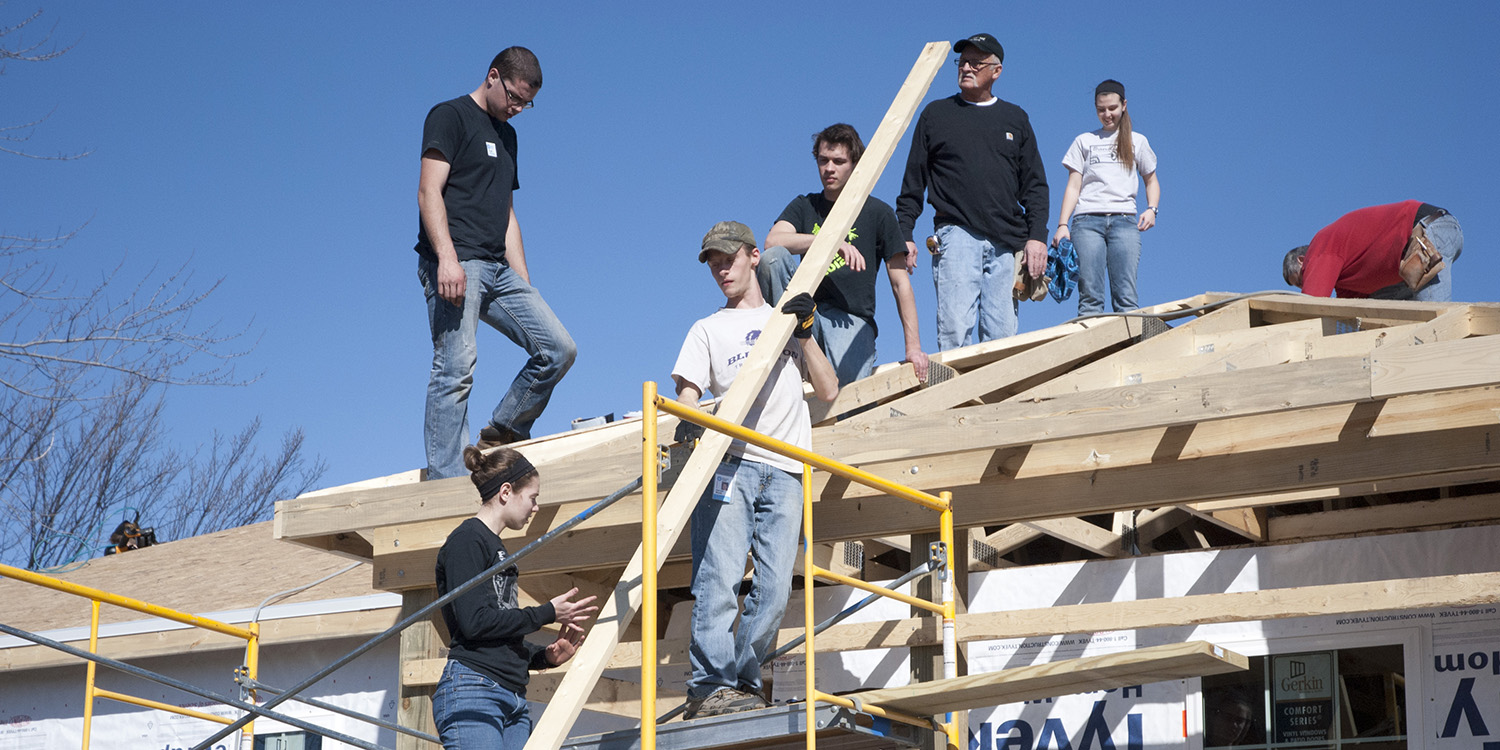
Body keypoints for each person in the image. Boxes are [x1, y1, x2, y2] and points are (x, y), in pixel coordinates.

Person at [672, 221, 839, 718]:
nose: (721, 269)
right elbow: (687, 398)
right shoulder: (706, 329)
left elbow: (828, 391)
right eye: (713, 262)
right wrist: (689, 421)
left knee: (773, 591)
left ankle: (743, 684)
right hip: (731, 464)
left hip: (787, 468)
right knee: (719, 580)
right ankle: (708, 687)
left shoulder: (784, 321)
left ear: (752, 256)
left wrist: (805, 333)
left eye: (728, 258)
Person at [416, 47, 577, 480]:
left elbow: (506, 214)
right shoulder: (449, 116)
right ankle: (446, 476)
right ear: (492, 76)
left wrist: (525, 285)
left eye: (527, 104)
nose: (519, 109)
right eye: (514, 98)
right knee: (456, 365)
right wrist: (446, 259)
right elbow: (429, 192)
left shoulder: (508, 136)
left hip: (498, 269)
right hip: (456, 262)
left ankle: (504, 429)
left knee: (558, 349)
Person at [432, 445, 599, 749]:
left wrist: (544, 657)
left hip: (512, 697)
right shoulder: (467, 541)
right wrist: (546, 613)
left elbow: (499, 633)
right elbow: (474, 623)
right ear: (506, 491)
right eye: (533, 497)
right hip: (476, 690)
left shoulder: (496, 549)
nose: (536, 507)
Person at [896, 33, 1049, 351]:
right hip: (956, 236)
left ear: (996, 70)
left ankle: (996, 401)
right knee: (955, 333)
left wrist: (1036, 237)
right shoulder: (936, 115)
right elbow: (913, 181)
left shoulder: (1015, 119)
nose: (965, 67)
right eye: (962, 61)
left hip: (1007, 243)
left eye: (975, 62)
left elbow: (1034, 185)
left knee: (1002, 340)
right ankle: (954, 401)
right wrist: (905, 233)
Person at [760, 123, 930, 385]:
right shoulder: (805, 205)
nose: (829, 168)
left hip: (852, 320)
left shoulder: (878, 213)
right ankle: (785, 350)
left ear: (855, 165)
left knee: (844, 396)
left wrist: (914, 348)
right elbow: (773, 241)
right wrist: (829, 242)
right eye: (823, 160)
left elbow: (900, 283)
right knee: (773, 259)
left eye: (838, 161)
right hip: (806, 312)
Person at [1052, 79, 1160, 315]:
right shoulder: (1084, 141)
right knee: (1090, 298)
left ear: (1124, 105)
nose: (1107, 114)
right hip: (1087, 222)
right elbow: (1073, 186)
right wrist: (1062, 225)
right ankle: (1092, 351)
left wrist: (1152, 209)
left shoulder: (1137, 141)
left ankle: (1130, 349)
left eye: (1112, 108)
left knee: (1127, 298)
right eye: (1101, 109)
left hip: (1125, 222)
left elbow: (1151, 181)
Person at [1283, 200, 1463, 301]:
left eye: (1300, 280)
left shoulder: (1320, 246)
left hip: (1427, 232)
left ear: (1302, 260)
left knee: (1433, 325)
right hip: (1408, 261)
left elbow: (1310, 305)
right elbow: (1351, 309)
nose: (1304, 286)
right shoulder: (1347, 281)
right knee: (1381, 316)